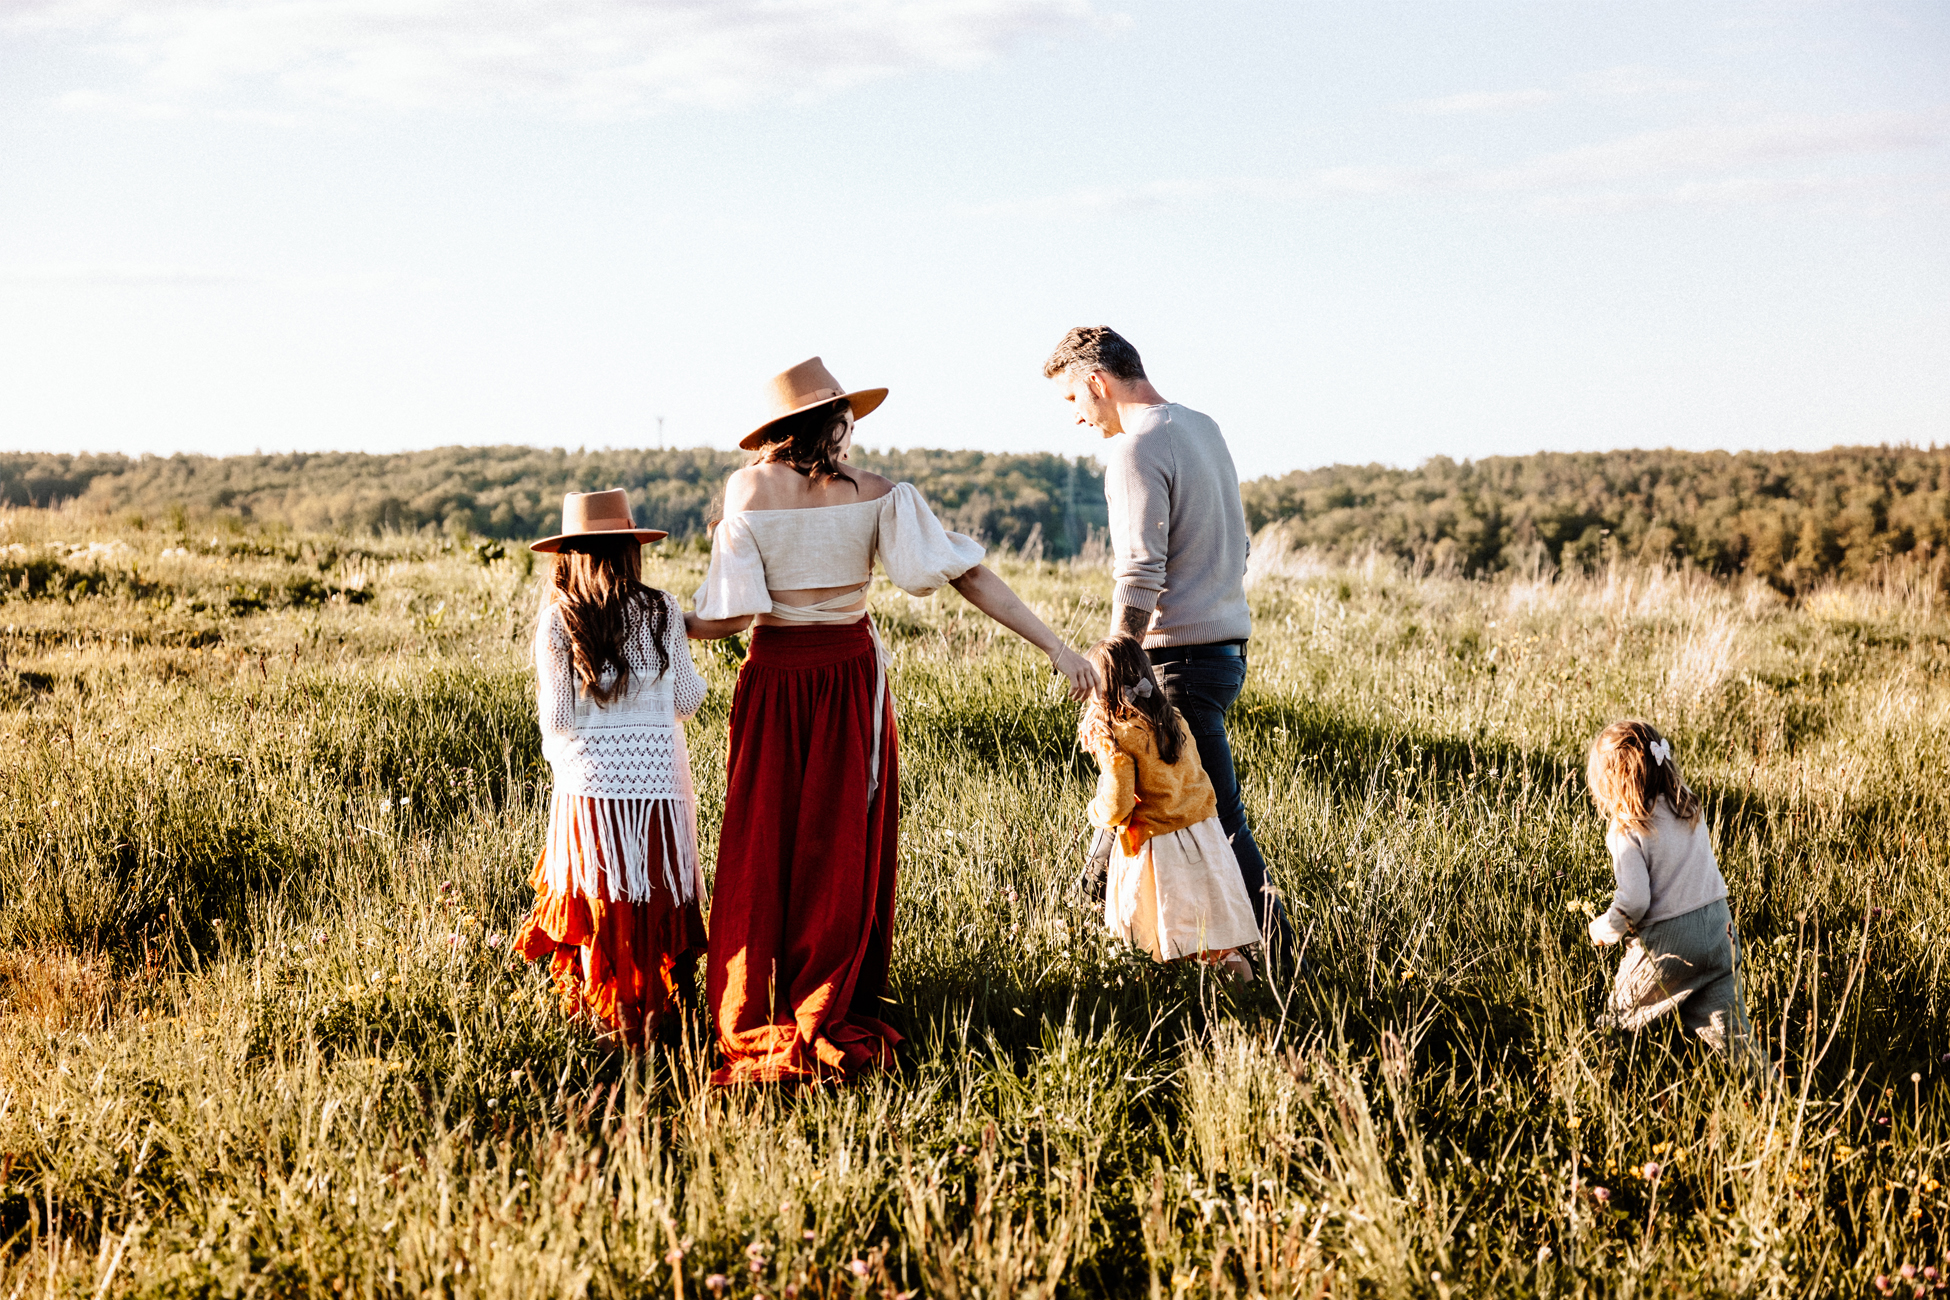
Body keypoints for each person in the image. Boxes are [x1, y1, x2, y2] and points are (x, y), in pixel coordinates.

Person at [688, 357, 1099, 1086]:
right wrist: (1058, 647)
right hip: (849, 677)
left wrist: (658, 622)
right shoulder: (881, 495)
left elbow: (732, 618)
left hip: (775, 677)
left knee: (761, 837)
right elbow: (966, 576)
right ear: (833, 424)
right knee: (837, 841)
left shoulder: (745, 489)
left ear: (775, 432)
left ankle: (753, 1004)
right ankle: (824, 1001)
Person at [1043, 326, 1291, 963]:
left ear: (1098, 382)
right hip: (1225, 649)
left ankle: (1289, 965)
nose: (1076, 417)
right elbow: (1236, 547)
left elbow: (1139, 570)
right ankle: (1097, 934)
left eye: (1073, 399)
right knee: (1148, 809)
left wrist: (1119, 660)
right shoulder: (1201, 427)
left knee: (1215, 819)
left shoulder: (1134, 449)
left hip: (1173, 661)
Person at [514, 489, 709, 1047]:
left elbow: (557, 718)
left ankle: (606, 1011)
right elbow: (687, 701)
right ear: (630, 552)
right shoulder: (664, 609)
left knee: (602, 896)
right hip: (657, 789)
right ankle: (667, 1012)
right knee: (652, 894)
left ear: (568, 554)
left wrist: (570, 761)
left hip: (589, 790)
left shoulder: (558, 619)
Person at [1081, 635, 1260, 979]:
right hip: (1204, 838)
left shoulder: (1114, 734)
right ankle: (1251, 1001)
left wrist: (1095, 811)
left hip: (1157, 852)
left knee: (1155, 937)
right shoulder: (1172, 717)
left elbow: (1118, 804)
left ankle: (1159, 1004)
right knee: (1214, 941)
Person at [1586, 720, 1762, 1068]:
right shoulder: (1687, 807)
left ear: (1609, 781)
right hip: (1718, 930)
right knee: (1736, 1042)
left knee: (1616, 1024)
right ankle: (1774, 1097)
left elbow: (1635, 900)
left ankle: (1588, 1090)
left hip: (1670, 944)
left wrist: (1605, 929)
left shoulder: (1626, 828)